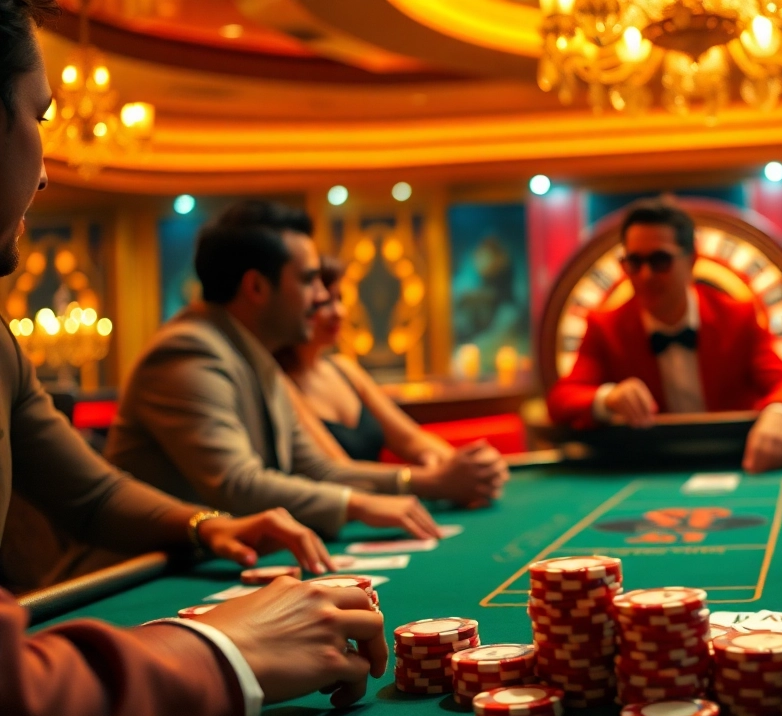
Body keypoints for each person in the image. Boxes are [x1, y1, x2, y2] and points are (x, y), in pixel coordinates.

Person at [0, 3, 388, 716]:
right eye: (38, 116)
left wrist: (207, 527)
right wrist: (223, 649)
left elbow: (91, 494)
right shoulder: (191, 349)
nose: (45, 172)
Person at [105, 200, 502, 542]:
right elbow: (237, 485)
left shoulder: (253, 353)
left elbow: (317, 469)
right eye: (309, 280)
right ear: (256, 288)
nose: (321, 297)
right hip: (141, 575)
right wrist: (360, 504)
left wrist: (418, 484)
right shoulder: (189, 351)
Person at [546, 200, 782, 473]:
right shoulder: (605, 327)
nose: (646, 275)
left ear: (692, 259)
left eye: (660, 260)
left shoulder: (738, 318)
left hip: (736, 463)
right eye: (635, 262)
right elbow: (561, 400)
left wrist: (779, 414)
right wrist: (608, 398)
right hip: (648, 470)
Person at [275, 255, 507, 490]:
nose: (338, 312)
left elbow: (412, 439)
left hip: (391, 507)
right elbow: (338, 470)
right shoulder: (280, 382)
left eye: (340, 299)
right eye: (323, 304)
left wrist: (469, 467)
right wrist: (438, 479)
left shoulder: (344, 369)